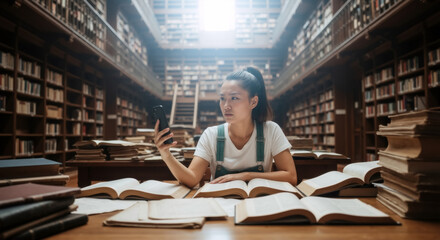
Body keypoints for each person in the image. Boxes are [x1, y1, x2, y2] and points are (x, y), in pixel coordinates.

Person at [154, 66, 297, 188]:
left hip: (257, 205)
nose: (226, 106)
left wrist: (246, 176)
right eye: (222, 98)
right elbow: (191, 179)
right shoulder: (211, 135)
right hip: (219, 207)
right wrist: (166, 154)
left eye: (234, 98)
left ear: (253, 102)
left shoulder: (271, 131)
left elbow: (291, 176)